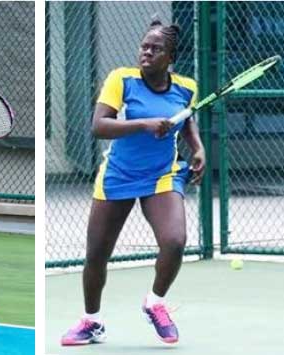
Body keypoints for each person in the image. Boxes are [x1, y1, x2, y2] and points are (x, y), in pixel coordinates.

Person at [61, 19, 205, 346]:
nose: (147, 53)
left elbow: (186, 119)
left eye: (156, 49)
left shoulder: (186, 87)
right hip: (118, 176)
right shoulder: (121, 80)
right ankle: (92, 322)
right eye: (144, 47)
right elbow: (99, 126)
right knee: (97, 255)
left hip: (161, 176)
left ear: (170, 57)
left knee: (175, 241)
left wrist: (198, 147)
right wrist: (143, 124)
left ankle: (155, 302)